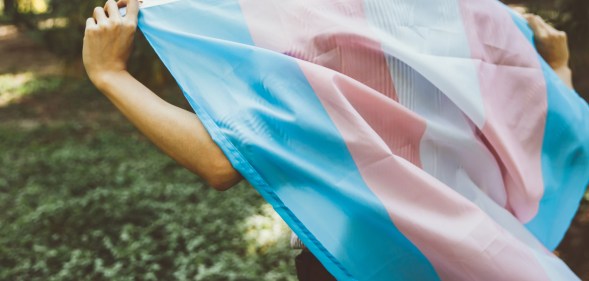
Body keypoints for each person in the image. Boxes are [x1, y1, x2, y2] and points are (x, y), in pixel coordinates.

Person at [82, 1, 575, 280]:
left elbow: (220, 162)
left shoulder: (298, 19)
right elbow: (542, 133)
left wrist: (109, 75)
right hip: (480, 250)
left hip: (367, 255)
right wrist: (558, 69)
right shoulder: (474, 18)